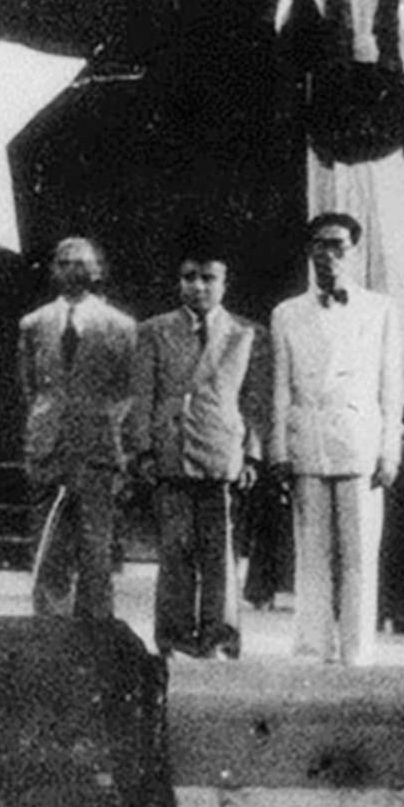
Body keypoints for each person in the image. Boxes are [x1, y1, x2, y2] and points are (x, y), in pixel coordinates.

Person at [269, 212, 403, 666]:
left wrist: (389, 451)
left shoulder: (380, 309)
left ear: (354, 251)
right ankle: (312, 647)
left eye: (338, 246)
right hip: (308, 441)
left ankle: (358, 649)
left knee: (360, 554)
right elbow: (280, 387)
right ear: (310, 252)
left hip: (360, 444)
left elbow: (391, 386)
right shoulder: (287, 313)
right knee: (312, 553)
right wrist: (279, 449)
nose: (329, 255)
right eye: (320, 245)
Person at [129, 242, 270, 658]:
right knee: (175, 550)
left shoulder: (247, 333)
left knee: (220, 551)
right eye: (189, 277)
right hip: (171, 450)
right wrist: (144, 450)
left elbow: (256, 401)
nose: (198, 286)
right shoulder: (154, 331)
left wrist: (252, 455)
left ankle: (219, 638)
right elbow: (142, 396)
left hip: (222, 452)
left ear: (224, 283)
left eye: (208, 278)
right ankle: (173, 637)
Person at [21, 237, 138, 619]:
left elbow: (128, 389)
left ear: (97, 270)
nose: (72, 270)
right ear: (53, 270)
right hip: (49, 446)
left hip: (97, 449)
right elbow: (29, 386)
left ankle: (95, 633)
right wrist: (42, 426)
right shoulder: (34, 324)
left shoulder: (120, 326)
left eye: (82, 263)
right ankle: (49, 630)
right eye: (64, 262)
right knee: (49, 547)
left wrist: (115, 438)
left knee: (95, 550)